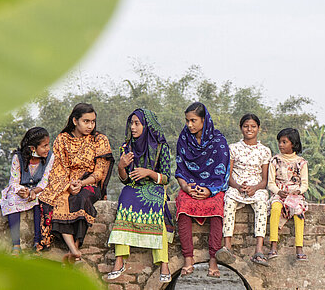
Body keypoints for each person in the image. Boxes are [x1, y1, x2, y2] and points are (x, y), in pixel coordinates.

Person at [38, 103, 114, 262]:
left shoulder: (99, 139)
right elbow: (59, 167)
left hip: (90, 184)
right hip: (66, 182)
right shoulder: (62, 139)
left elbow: (100, 172)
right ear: (75, 121)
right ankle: (73, 249)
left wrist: (82, 183)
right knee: (58, 199)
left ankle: (75, 247)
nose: (90, 125)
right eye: (86, 121)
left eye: (93, 121)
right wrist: (68, 185)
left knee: (81, 199)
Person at [107, 109, 174, 283]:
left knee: (158, 210)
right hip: (133, 187)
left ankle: (163, 263)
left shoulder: (161, 147)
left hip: (154, 187)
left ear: (147, 125)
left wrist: (149, 173)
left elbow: (166, 178)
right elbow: (125, 179)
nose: (133, 127)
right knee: (125, 202)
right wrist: (121, 166)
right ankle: (119, 259)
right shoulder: (126, 147)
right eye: (132, 123)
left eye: (137, 123)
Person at [175, 102, 230, 278]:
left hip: (212, 188)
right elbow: (180, 168)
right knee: (182, 206)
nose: (189, 124)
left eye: (193, 120)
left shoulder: (218, 141)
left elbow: (223, 171)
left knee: (217, 209)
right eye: (187, 120)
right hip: (190, 186)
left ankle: (213, 259)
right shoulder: (184, 138)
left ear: (204, 120)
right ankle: (188, 258)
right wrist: (185, 186)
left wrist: (210, 191)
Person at [216, 114, 272, 266]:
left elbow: (265, 180)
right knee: (228, 200)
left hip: (256, 188)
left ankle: (258, 250)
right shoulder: (233, 148)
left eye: (253, 126)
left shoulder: (265, 151)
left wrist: (254, 188)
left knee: (262, 202)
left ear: (258, 129)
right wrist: (238, 186)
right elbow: (229, 176)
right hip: (237, 187)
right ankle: (227, 246)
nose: (249, 129)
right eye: (246, 126)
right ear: (241, 128)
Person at [0, 127, 54, 255]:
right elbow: (14, 181)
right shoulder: (18, 158)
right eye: (44, 146)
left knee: (41, 201)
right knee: (11, 200)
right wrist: (22, 191)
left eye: (48, 145)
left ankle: (37, 243)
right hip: (21, 189)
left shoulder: (50, 157)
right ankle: (16, 245)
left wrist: (34, 191)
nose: (48, 148)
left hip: (39, 189)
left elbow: (45, 180)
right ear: (32, 148)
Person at [267, 128, 309, 261]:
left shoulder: (301, 162)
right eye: (280, 142)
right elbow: (270, 183)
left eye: (284, 142)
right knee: (275, 208)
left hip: (295, 195)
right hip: (279, 194)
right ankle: (273, 245)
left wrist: (299, 191)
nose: (281, 145)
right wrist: (278, 191)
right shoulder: (274, 161)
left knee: (298, 211)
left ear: (293, 144)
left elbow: (305, 184)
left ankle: (299, 247)